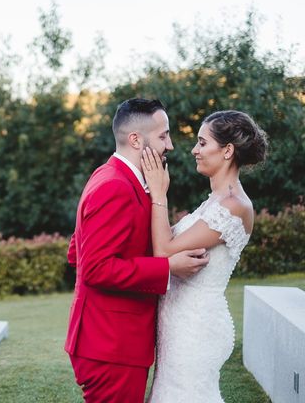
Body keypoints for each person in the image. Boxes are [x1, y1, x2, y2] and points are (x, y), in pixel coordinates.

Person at [65, 98, 210, 402]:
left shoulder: (111, 176)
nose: (169, 145)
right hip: (109, 344)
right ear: (135, 139)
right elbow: (95, 268)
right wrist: (168, 267)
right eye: (162, 136)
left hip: (113, 340)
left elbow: (76, 252)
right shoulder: (114, 186)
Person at [142, 110, 268, 402]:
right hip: (179, 323)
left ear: (227, 151)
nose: (194, 150)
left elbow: (163, 251)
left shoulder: (234, 206)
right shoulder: (214, 202)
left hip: (196, 328)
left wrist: (159, 194)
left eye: (202, 143)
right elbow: (167, 245)